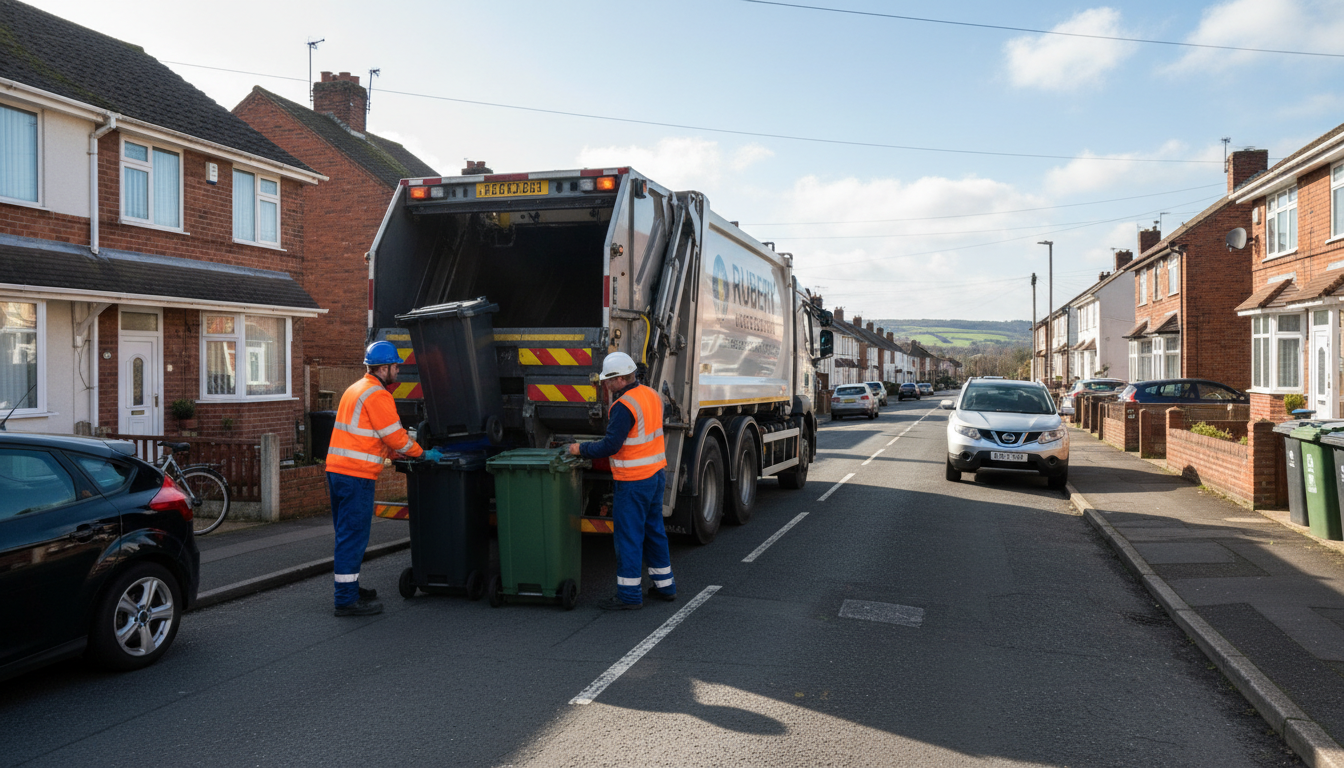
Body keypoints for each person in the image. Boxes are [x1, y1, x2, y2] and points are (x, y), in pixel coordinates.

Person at [326, 341, 441, 616]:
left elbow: (370, 434)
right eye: (395, 366)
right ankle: (345, 599)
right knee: (353, 536)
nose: (398, 370)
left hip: (338, 472)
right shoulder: (377, 395)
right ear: (384, 367)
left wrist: (396, 454)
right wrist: (422, 454)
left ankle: (350, 588)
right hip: (356, 476)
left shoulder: (355, 389)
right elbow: (395, 437)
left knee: (346, 534)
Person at [569, 351, 675, 610]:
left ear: (620, 379)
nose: (605, 385)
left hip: (633, 481)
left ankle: (629, 596)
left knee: (629, 537)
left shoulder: (623, 406)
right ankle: (665, 587)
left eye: (608, 380)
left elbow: (611, 446)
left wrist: (578, 449)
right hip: (655, 475)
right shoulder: (651, 395)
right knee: (654, 532)